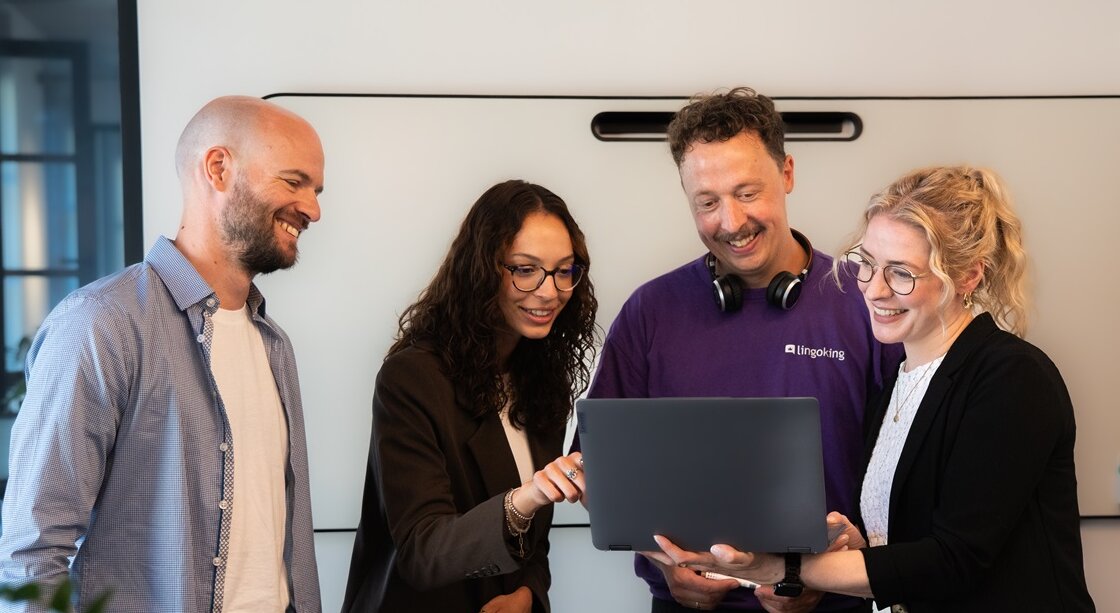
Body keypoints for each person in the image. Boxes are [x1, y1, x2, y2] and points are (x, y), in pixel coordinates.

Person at [650, 165, 1096, 612]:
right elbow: (910, 539)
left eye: (901, 273)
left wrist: (780, 567)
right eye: (867, 264)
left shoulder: (1012, 379)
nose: (874, 290)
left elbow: (954, 559)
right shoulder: (899, 382)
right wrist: (855, 541)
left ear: (968, 277)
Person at [580, 86, 900, 612]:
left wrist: (825, 573)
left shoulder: (867, 302)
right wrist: (666, 567)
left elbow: (910, 473)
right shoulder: (649, 313)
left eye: (747, 193)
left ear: (788, 173)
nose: (730, 222)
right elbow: (600, 472)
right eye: (707, 202)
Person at [0, 96, 325, 612]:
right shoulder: (100, 324)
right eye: (294, 182)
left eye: (316, 189)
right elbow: (31, 556)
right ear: (218, 168)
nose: (313, 208)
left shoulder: (274, 345)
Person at [341, 180, 597, 613]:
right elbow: (423, 553)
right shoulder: (412, 377)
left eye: (564, 270)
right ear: (481, 270)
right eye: (525, 268)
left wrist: (527, 594)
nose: (550, 291)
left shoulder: (541, 376)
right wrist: (528, 496)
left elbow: (533, 546)